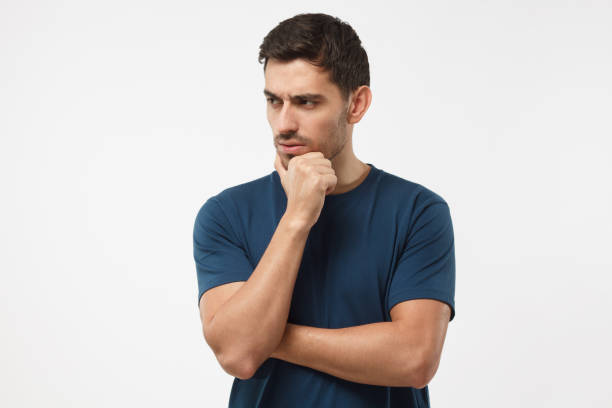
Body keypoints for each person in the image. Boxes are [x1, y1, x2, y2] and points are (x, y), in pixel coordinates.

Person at [193, 12, 456, 408]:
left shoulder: (418, 212)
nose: (283, 123)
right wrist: (297, 217)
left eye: (306, 102)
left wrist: (270, 336)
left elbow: (414, 358)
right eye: (273, 101)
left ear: (357, 104)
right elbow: (240, 356)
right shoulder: (226, 214)